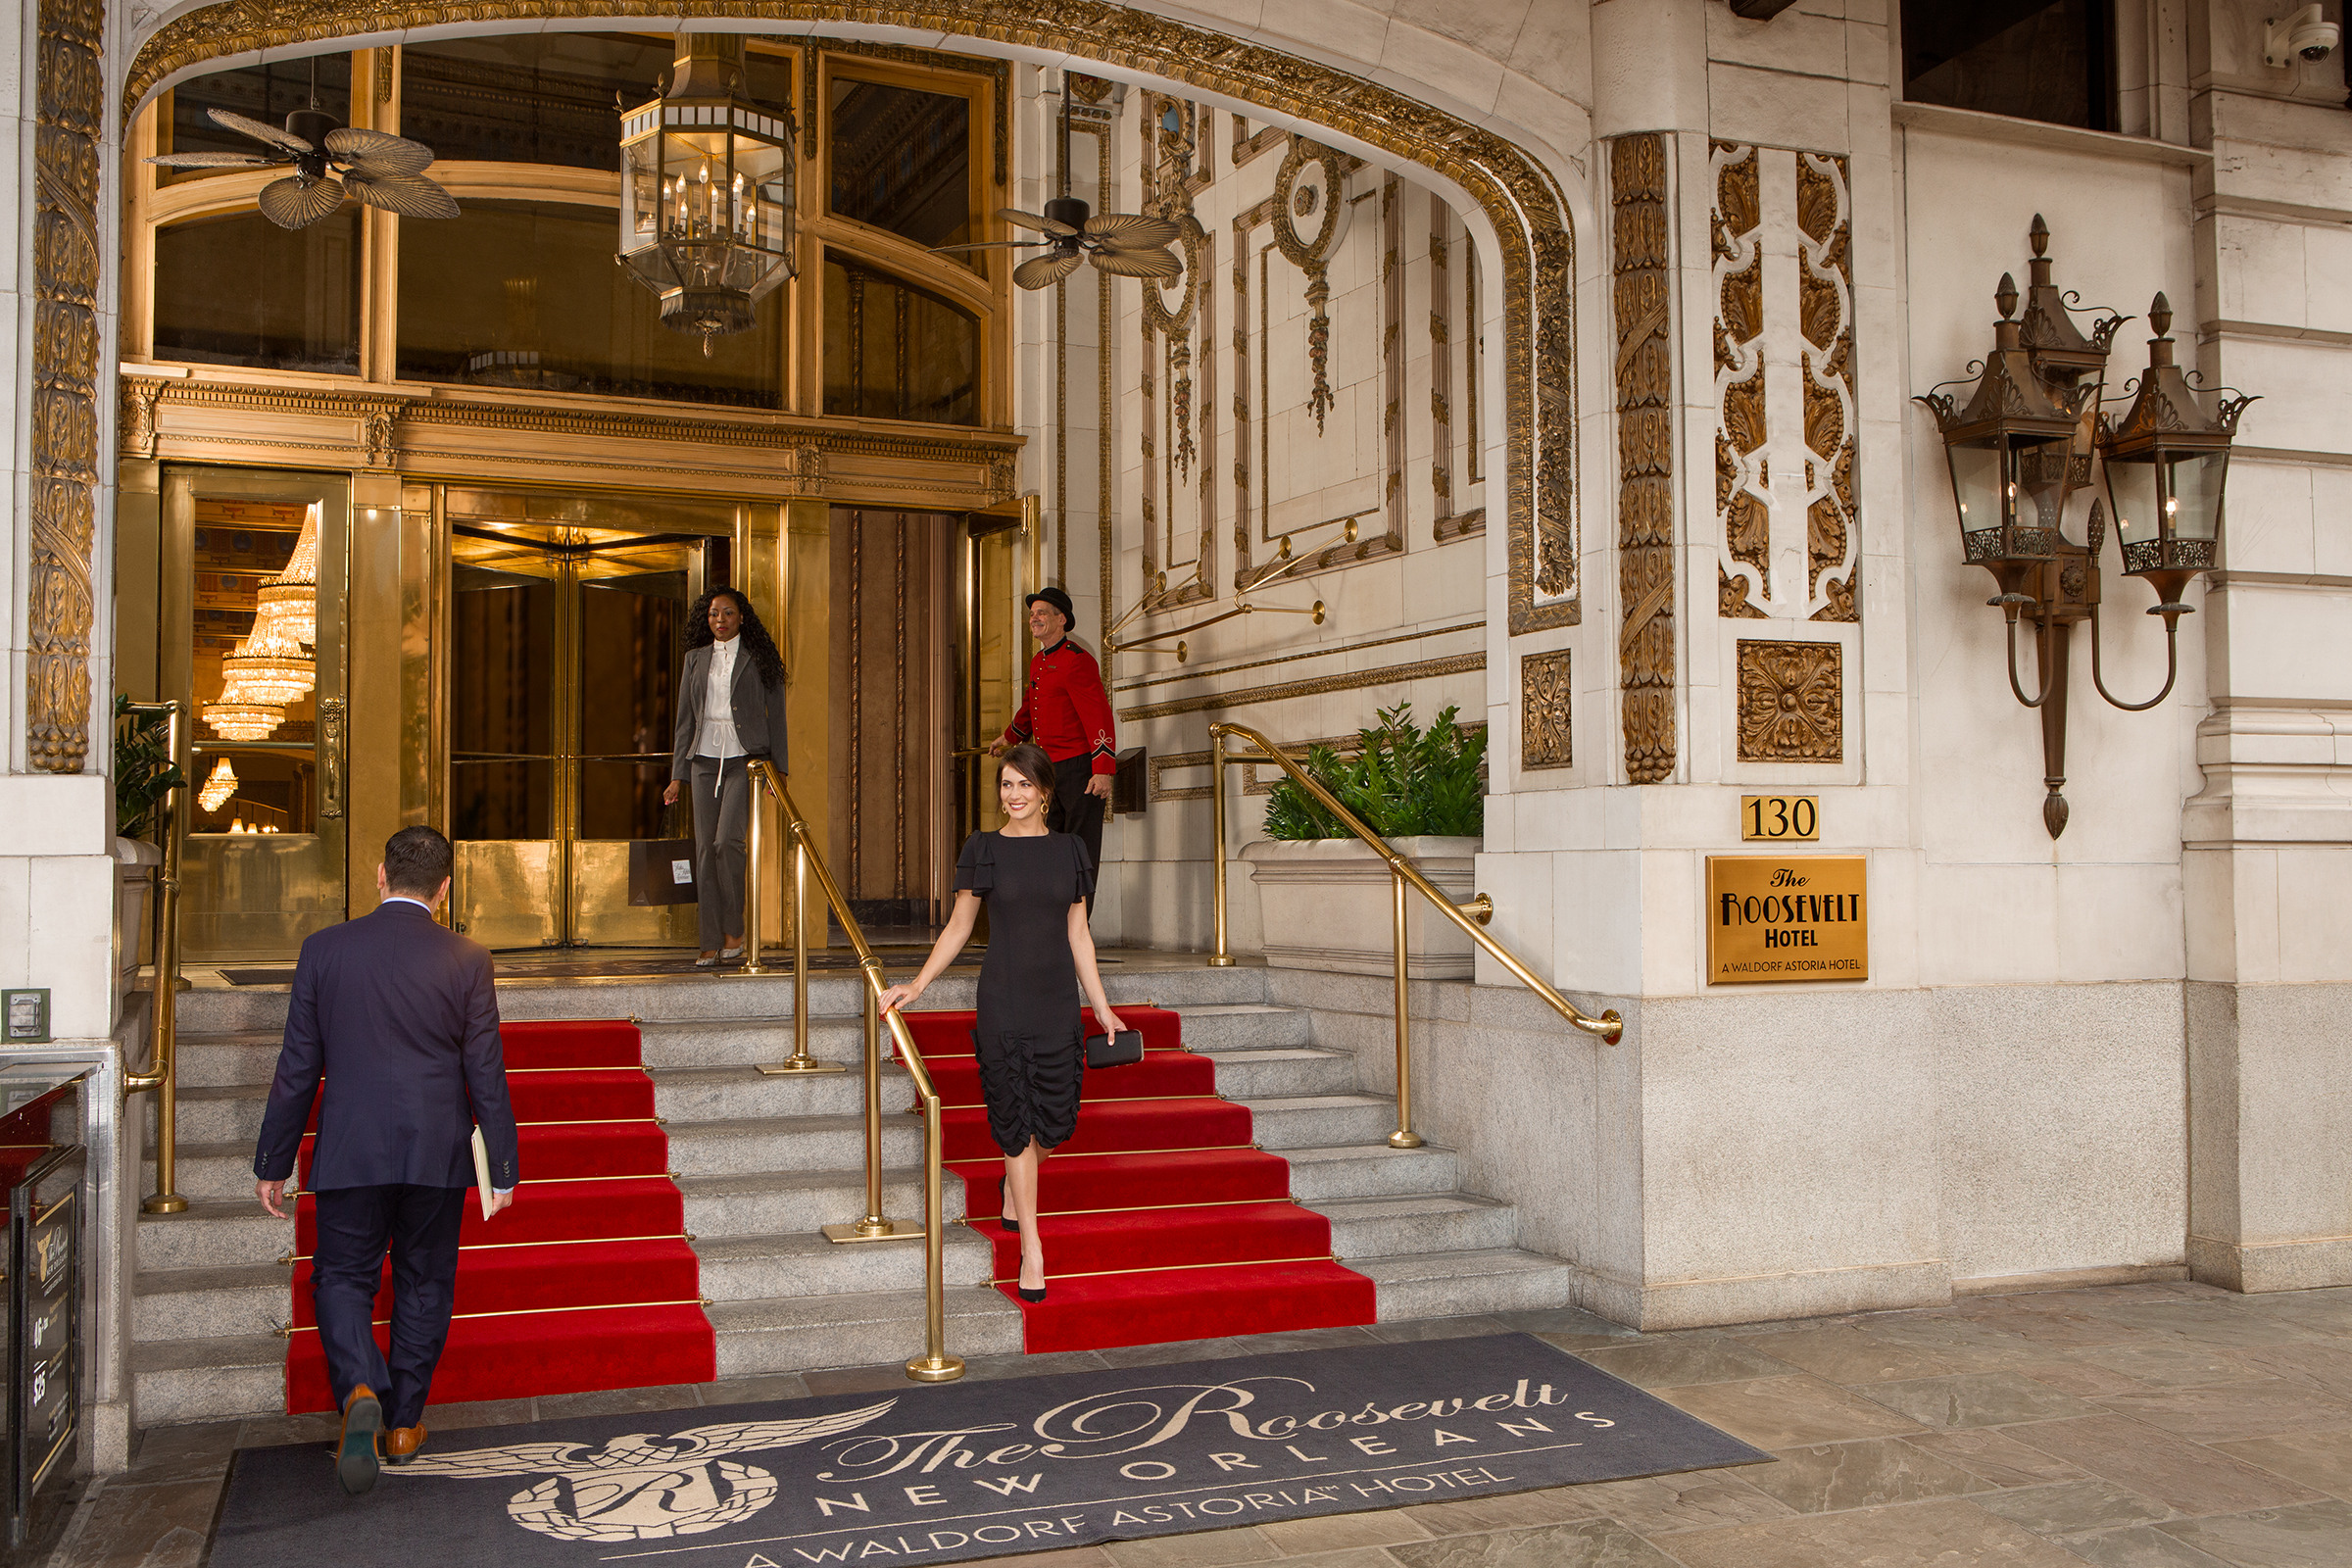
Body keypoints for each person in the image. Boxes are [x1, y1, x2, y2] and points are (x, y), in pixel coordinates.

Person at [251, 826, 519, 1496]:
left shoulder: (324, 950)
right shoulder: (467, 958)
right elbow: (486, 1072)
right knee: (425, 1283)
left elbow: (297, 1069)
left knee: (342, 1278)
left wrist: (273, 1160)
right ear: (445, 889)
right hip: (437, 1149)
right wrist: (505, 1165)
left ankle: (361, 1387)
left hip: (350, 1146)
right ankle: (402, 1427)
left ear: (380, 875)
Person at [876, 745, 1124, 1303]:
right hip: (1005, 998)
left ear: (1044, 791)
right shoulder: (983, 848)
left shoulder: (1071, 850)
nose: (1013, 796)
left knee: (1056, 1124)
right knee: (1015, 1120)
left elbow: (1079, 935)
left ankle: (1015, 1187)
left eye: (1023, 786)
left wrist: (1101, 1005)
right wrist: (917, 985)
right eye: (1005, 786)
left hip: (1056, 999)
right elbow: (959, 927)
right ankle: (1031, 1247)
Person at [663, 588, 789, 966]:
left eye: (728, 613)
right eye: (714, 614)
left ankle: (734, 928)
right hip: (703, 761)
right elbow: (685, 721)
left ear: (741, 618)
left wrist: (779, 770)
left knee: (726, 843)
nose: (720, 620)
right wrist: (677, 776)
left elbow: (777, 717)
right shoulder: (694, 660)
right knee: (704, 852)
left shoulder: (758, 659)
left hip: (744, 761)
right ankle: (709, 939)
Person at [989, 586, 1115, 906]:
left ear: (1062, 620)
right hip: (1049, 770)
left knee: (1079, 849)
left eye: (1042, 613)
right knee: (1050, 846)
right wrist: (1009, 737)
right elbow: (1032, 705)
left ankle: (1077, 927)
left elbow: (1098, 714)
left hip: (1079, 770)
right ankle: (1052, 920)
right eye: (1033, 614)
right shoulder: (1038, 663)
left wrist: (1102, 770)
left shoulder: (1077, 660)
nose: (1035, 618)